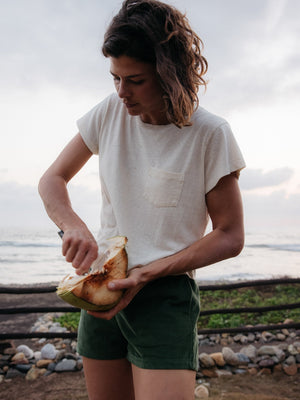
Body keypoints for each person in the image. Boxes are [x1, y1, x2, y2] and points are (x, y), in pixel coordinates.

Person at [38, 0, 246, 399]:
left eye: (134, 80)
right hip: (99, 289)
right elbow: (52, 179)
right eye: (115, 78)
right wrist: (74, 226)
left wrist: (148, 274)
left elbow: (230, 235)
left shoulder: (211, 134)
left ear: (170, 74)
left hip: (164, 296)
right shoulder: (108, 113)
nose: (121, 93)